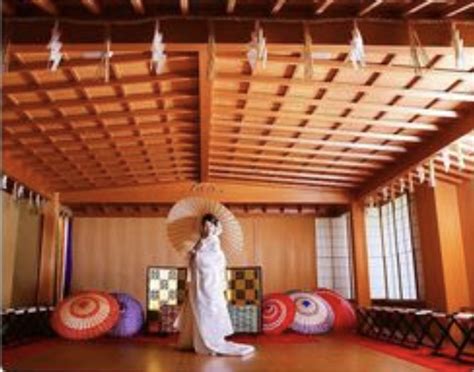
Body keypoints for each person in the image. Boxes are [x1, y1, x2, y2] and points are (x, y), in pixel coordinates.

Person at [175, 213, 255, 356]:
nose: (208, 228)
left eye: (211, 225)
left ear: (215, 226)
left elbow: (214, 260)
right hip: (198, 282)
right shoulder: (202, 239)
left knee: (208, 308)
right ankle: (195, 341)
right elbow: (194, 259)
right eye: (205, 225)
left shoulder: (214, 240)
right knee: (197, 309)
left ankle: (209, 341)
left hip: (208, 282)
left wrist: (197, 255)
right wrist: (193, 253)